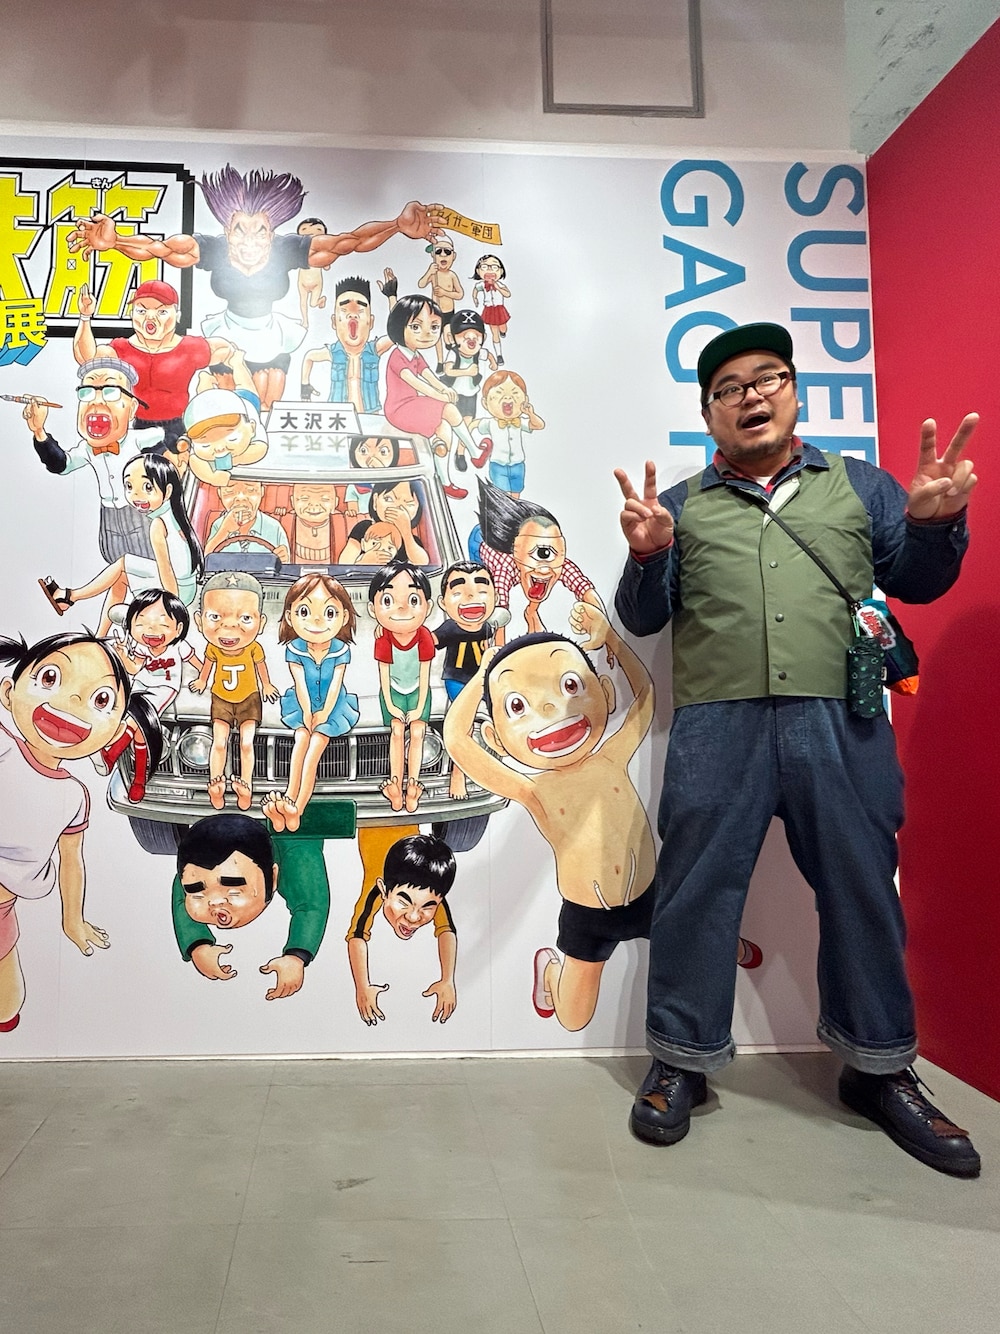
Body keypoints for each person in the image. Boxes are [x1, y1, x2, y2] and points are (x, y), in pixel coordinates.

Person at [613, 321, 981, 1177]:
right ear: (709, 415)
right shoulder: (682, 506)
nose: (750, 396)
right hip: (718, 726)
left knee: (862, 888)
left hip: (842, 719)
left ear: (794, 391)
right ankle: (681, 1059)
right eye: (728, 388)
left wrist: (936, 527)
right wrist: (647, 555)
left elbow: (920, 580)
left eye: (767, 378)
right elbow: (641, 616)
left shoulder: (862, 486)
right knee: (697, 893)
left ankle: (880, 1068)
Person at [68, 168, 446, 409]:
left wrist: (397, 225)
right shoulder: (211, 248)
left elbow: (349, 242)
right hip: (226, 335)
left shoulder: (288, 249)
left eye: (260, 231)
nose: (249, 241)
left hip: (272, 337)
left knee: (267, 403)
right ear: (227, 229)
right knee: (230, 405)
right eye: (239, 231)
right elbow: (159, 249)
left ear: (272, 231)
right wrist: (115, 242)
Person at [0, 631, 161, 1031]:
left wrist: (73, 919)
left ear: (116, 733)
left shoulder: (74, 796)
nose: (71, 702)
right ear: (8, 693)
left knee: (7, 1007)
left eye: (100, 700)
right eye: (50, 678)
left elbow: (71, 860)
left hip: (3, 910)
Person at [40, 452, 203, 634]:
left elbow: (166, 569)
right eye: (129, 486)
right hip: (185, 586)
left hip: (177, 592)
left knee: (123, 563)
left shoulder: (158, 524)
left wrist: (172, 606)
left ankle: (70, 596)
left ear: (169, 490)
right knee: (121, 577)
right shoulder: (174, 515)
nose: (136, 495)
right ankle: (99, 635)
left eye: (147, 487)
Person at [172, 813, 330, 1000]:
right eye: (197, 892)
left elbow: (312, 905)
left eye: (233, 890)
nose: (214, 902)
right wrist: (197, 945)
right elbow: (182, 895)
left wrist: (296, 956)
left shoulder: (299, 859)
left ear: (273, 877)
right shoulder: (195, 871)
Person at [22, 357, 164, 564]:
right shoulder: (87, 448)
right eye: (87, 392)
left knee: (147, 562)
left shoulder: (139, 439)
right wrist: (39, 431)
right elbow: (61, 465)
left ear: (132, 408)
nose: (97, 401)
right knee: (113, 562)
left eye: (110, 391)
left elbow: (168, 437)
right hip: (108, 517)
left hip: (138, 511)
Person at [71, 279, 228, 452]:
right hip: (138, 427)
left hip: (178, 428)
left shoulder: (190, 348)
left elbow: (227, 351)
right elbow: (87, 358)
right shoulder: (121, 349)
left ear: (177, 315)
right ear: (132, 314)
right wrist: (85, 317)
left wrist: (217, 389)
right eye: (142, 310)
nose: (150, 317)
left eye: (161, 311)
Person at [263, 574, 359, 833]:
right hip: (301, 703)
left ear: (344, 617)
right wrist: (307, 712)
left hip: (334, 706)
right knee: (301, 739)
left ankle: (297, 808)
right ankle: (288, 798)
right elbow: (300, 684)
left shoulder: (340, 649)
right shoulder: (294, 648)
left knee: (315, 746)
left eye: (329, 612)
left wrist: (324, 713)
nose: (317, 621)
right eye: (304, 611)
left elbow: (336, 684)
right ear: (290, 616)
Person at [346, 830, 458, 1025]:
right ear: (383, 890)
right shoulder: (376, 887)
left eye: (427, 907)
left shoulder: (431, 885)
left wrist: (448, 980)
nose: (413, 917)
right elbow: (357, 936)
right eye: (403, 902)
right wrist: (362, 987)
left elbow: (446, 930)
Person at [189, 572, 279, 811]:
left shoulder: (254, 648)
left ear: (261, 623)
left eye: (246, 618)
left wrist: (267, 685)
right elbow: (207, 666)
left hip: (249, 699)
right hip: (221, 699)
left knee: (247, 744)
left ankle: (245, 787)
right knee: (219, 743)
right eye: (215, 617)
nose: (229, 626)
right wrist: (202, 681)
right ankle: (216, 785)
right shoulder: (212, 648)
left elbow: (261, 667)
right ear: (199, 621)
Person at [383, 294, 482, 500]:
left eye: (434, 327)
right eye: (416, 327)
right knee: (449, 409)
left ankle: (445, 483)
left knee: (444, 429)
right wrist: (440, 396)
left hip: (412, 404)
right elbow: (415, 382)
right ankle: (475, 453)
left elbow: (429, 376)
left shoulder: (415, 355)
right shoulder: (397, 356)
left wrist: (444, 389)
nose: (427, 334)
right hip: (399, 409)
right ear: (399, 326)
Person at [368, 563, 435, 815]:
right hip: (393, 691)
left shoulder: (424, 636)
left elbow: (425, 675)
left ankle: (413, 787)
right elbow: (383, 676)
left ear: (428, 606)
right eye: (388, 600)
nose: (402, 608)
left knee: (418, 732)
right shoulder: (384, 638)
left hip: (418, 691)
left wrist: (419, 707)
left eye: (413, 599)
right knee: (396, 731)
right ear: (373, 608)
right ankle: (395, 787)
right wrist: (391, 705)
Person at [299, 275, 395, 412]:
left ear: (371, 322)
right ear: (334, 322)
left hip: (369, 415)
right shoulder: (333, 352)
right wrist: (305, 386)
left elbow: (396, 334)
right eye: (344, 311)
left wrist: (392, 296)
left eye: (360, 311)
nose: (353, 316)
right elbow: (309, 357)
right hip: (339, 417)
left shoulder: (374, 350)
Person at [204, 476, 290, 564]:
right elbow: (205, 561)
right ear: (219, 493)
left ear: (262, 491)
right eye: (229, 491)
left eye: (251, 490)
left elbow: (285, 564)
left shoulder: (274, 527)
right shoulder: (218, 525)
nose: (241, 498)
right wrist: (224, 530)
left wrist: (283, 558)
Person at [417, 236, 464, 371]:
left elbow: (460, 294)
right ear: (433, 255)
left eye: (447, 252)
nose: (443, 255)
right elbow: (421, 284)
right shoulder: (434, 274)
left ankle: (453, 356)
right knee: (437, 338)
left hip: (449, 312)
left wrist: (445, 293)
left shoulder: (452, 275)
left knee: (448, 334)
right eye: (438, 252)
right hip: (436, 311)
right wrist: (429, 272)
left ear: (453, 256)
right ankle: (440, 362)